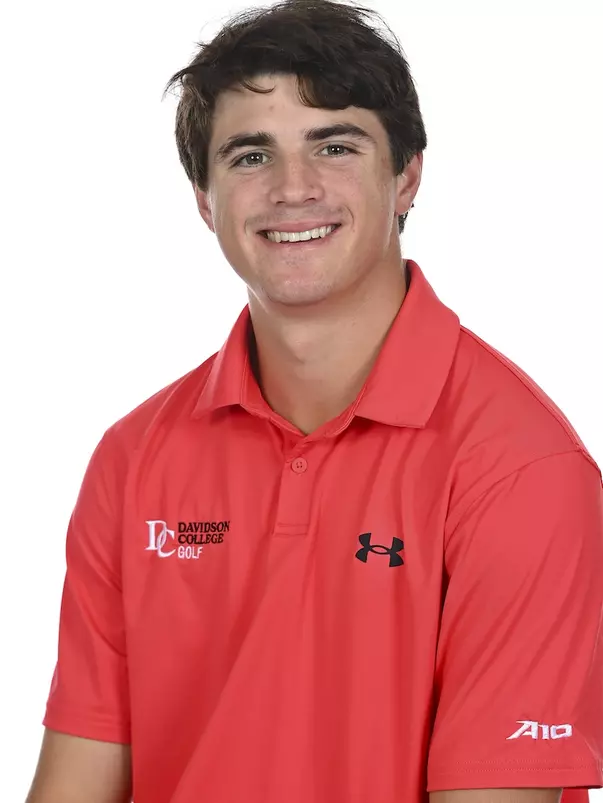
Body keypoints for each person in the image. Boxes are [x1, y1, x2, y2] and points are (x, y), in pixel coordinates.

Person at [25, 1, 603, 802]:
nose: (292, 188)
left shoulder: (519, 470)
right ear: (204, 200)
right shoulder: (133, 459)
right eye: (250, 155)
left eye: (334, 146)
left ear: (406, 176)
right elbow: (76, 781)